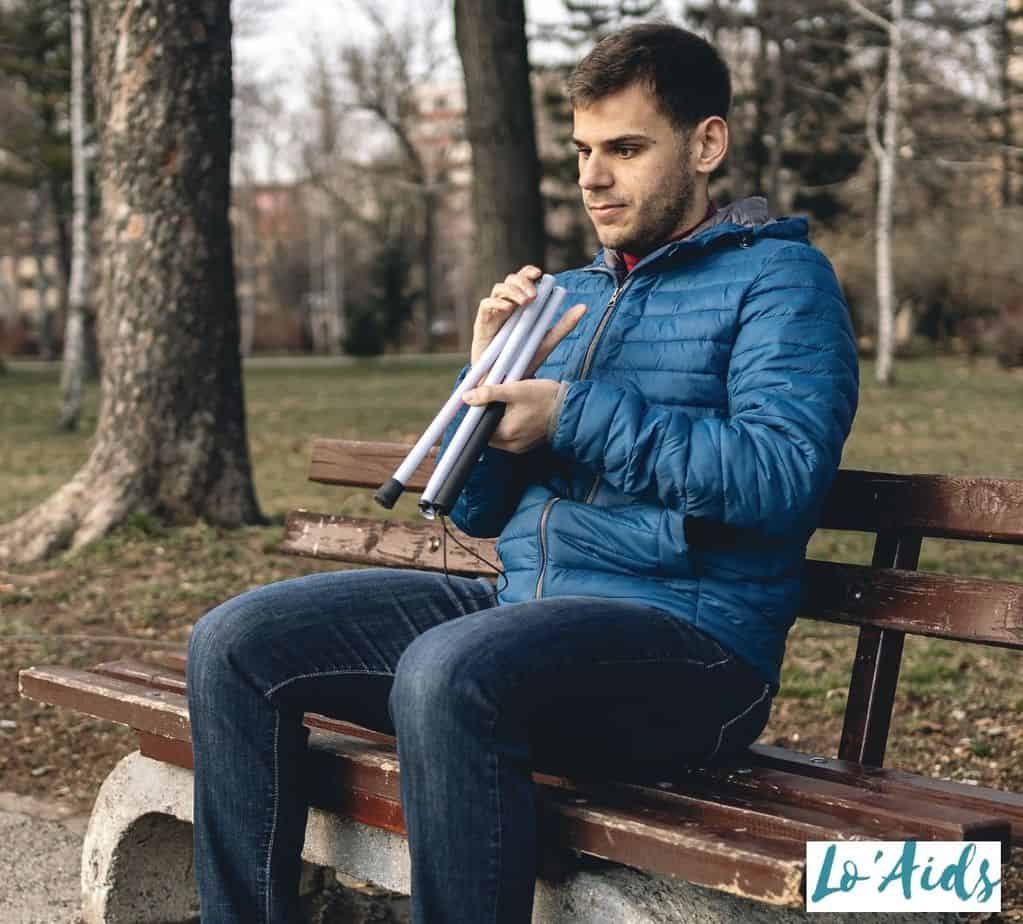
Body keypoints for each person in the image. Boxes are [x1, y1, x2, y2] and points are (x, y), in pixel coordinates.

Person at [186, 22, 859, 924]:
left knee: (447, 673)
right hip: (526, 613)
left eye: (625, 149)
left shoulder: (781, 282)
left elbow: (780, 476)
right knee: (233, 642)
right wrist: (479, 389)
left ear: (706, 144)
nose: (592, 176)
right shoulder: (570, 297)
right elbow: (480, 508)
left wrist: (572, 413)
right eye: (582, 150)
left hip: (695, 651)